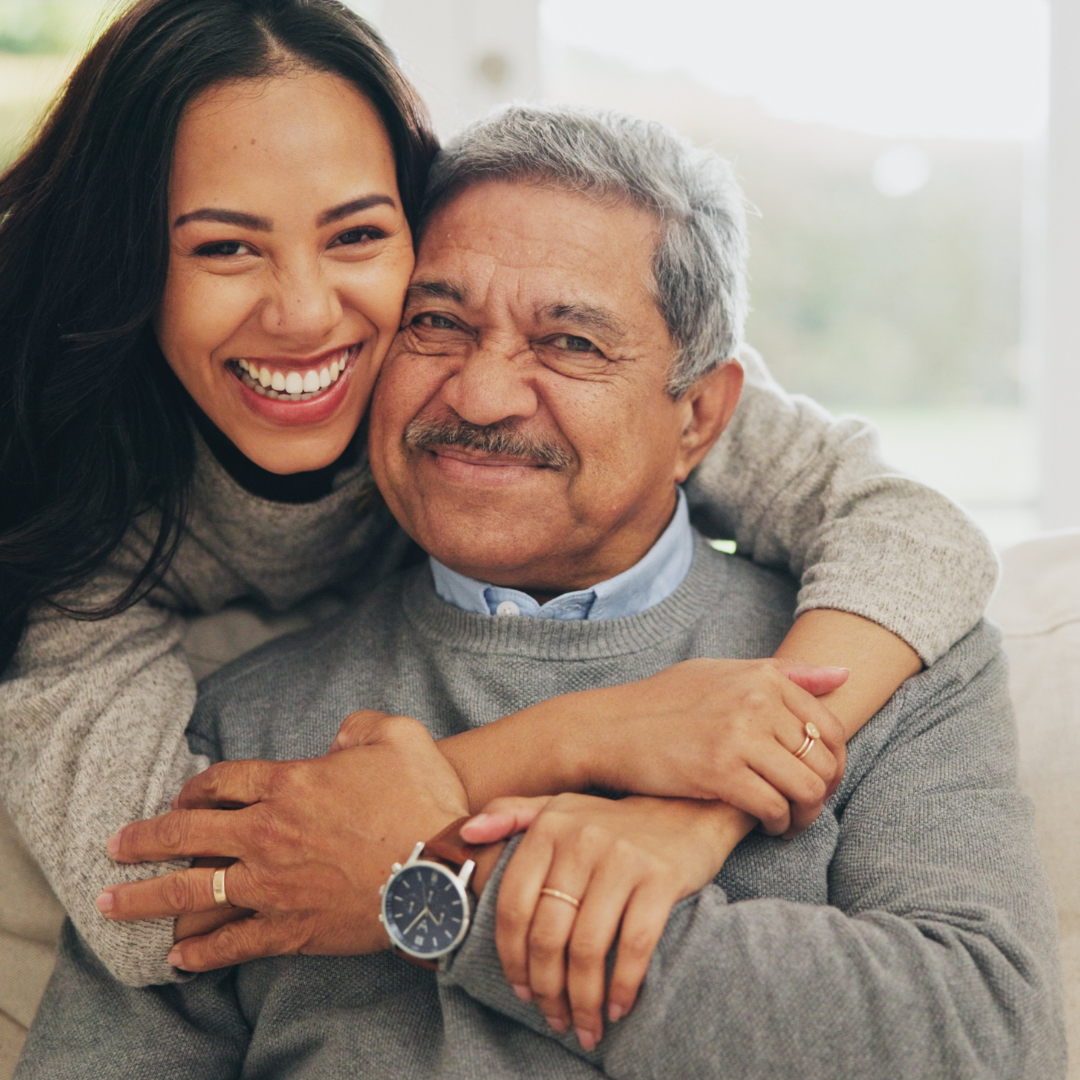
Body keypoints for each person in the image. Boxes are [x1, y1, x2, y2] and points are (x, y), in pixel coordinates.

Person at [17, 105, 1063, 1080]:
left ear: (700, 415)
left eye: (569, 343)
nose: (479, 392)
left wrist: (445, 895)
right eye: (437, 323)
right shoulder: (238, 733)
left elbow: (986, 1036)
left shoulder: (886, 657)